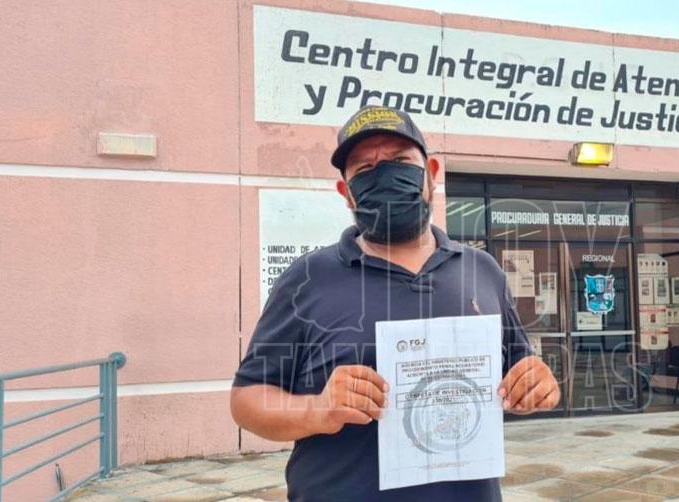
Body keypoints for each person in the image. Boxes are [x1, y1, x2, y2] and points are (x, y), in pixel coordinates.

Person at [230, 105, 560, 501]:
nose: (384, 175)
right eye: (365, 168)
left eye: (400, 161)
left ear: (431, 174)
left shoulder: (482, 269)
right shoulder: (307, 278)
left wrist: (537, 387)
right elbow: (246, 401)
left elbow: (521, 370)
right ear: (346, 192)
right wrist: (317, 410)